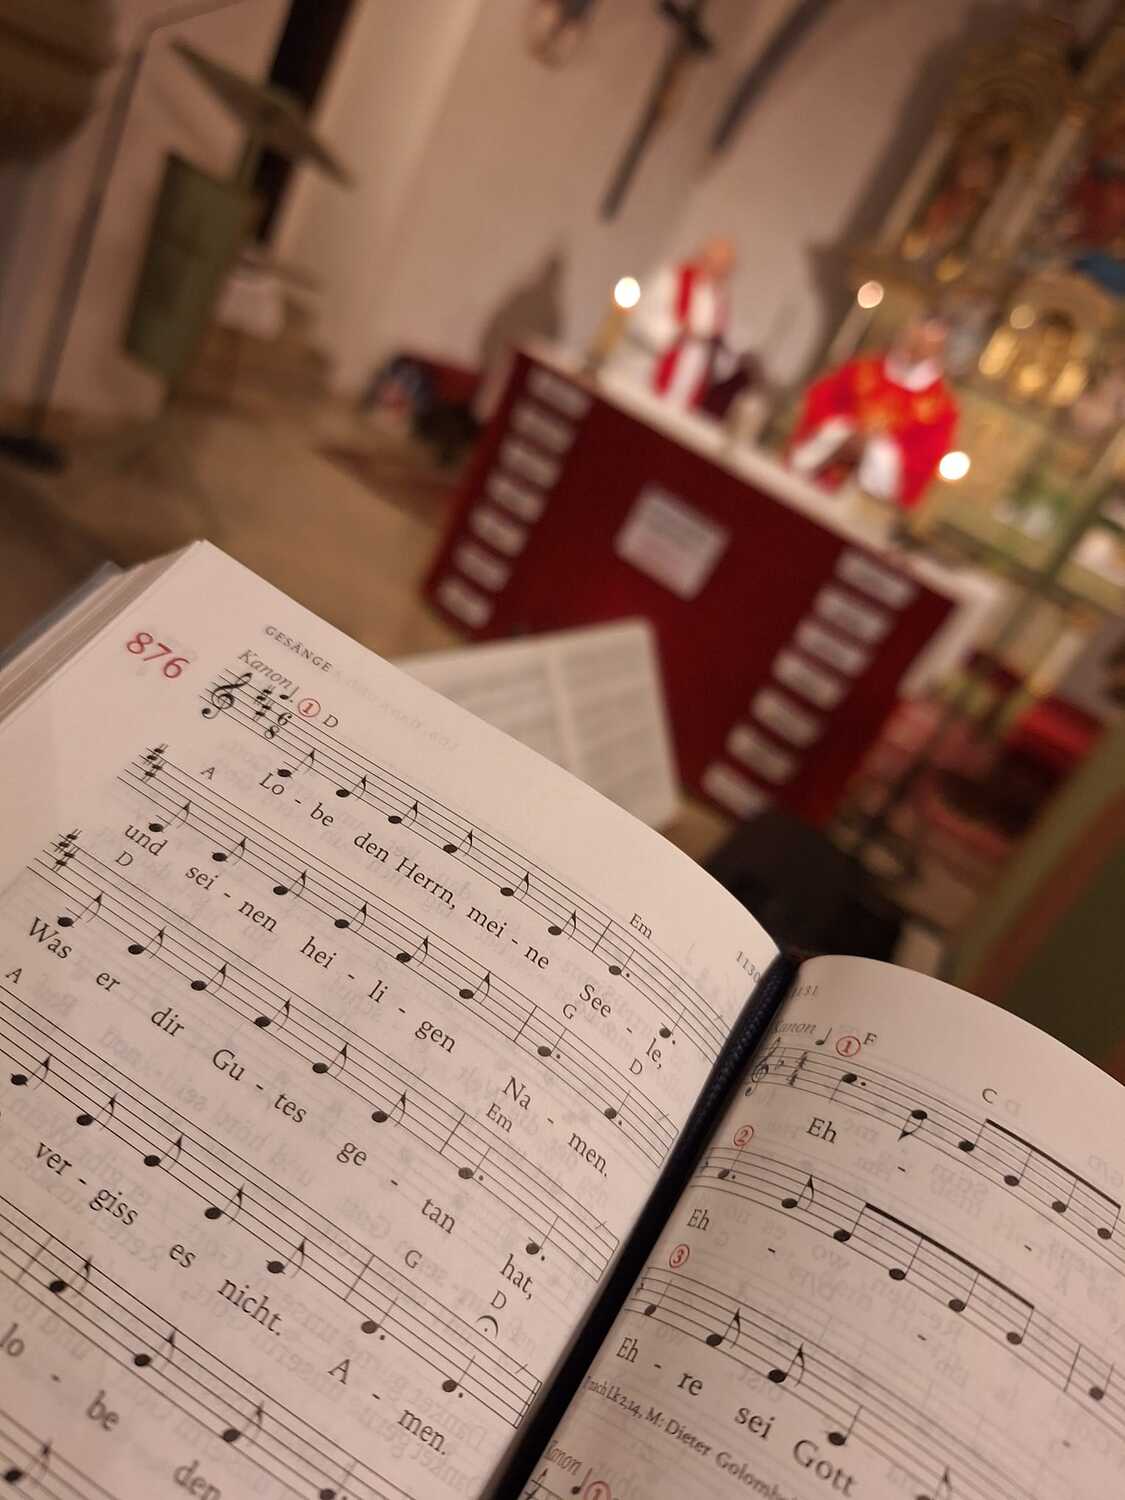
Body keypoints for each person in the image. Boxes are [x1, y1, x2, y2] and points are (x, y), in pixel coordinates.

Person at [789, 313, 958, 510]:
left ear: (938, 351)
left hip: (863, 503)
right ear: (905, 334)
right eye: (915, 339)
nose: (916, 348)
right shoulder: (861, 369)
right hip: (816, 474)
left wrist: (875, 449)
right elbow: (820, 401)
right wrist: (843, 433)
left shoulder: (941, 408)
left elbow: (924, 461)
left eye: (926, 345)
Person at [612, 235, 737, 410]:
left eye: (724, 267)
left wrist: (716, 347)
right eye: (714, 262)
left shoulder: (720, 301)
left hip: (684, 390)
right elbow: (637, 320)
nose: (716, 270)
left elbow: (720, 362)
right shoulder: (669, 279)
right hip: (645, 376)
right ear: (701, 256)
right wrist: (677, 330)